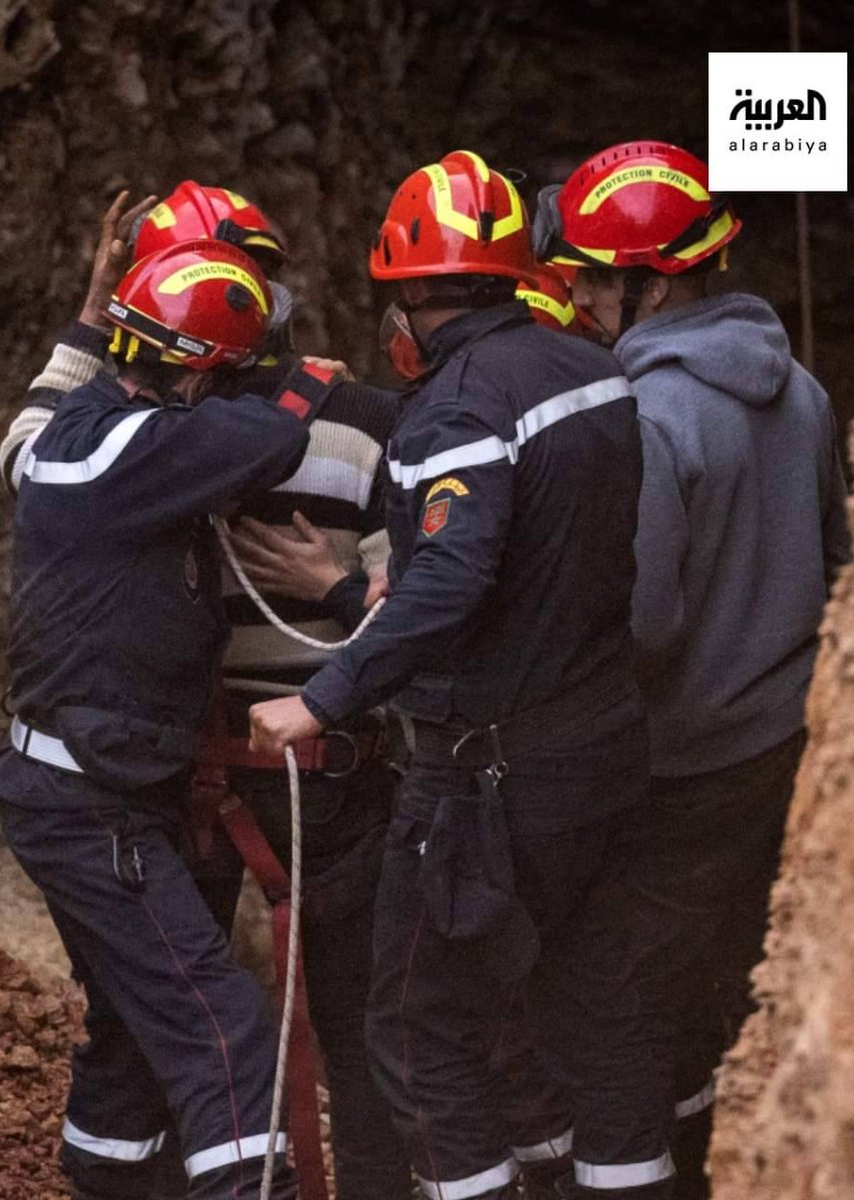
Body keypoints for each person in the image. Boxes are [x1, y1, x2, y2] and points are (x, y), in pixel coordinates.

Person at [250, 150, 677, 1200]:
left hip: (491, 776)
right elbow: (535, 563)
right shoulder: (589, 368)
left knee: (412, 1025)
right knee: (594, 1008)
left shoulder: (456, 407)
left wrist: (319, 699)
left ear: (407, 292)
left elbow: (448, 579)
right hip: (604, 746)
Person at [0, 183, 412, 1200]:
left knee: (160, 1022)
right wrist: (344, 585)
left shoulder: (90, 425)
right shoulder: (299, 424)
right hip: (214, 778)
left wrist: (94, 317)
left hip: (209, 779)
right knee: (230, 1027)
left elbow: (27, 441)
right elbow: (421, 609)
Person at [539, 139, 851, 1197]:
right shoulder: (801, 388)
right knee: (715, 992)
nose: (575, 297)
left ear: (653, 280)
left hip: (678, 763)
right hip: (780, 749)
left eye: (588, 275)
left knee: (620, 998)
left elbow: (643, 623)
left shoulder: (651, 414)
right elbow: (836, 559)